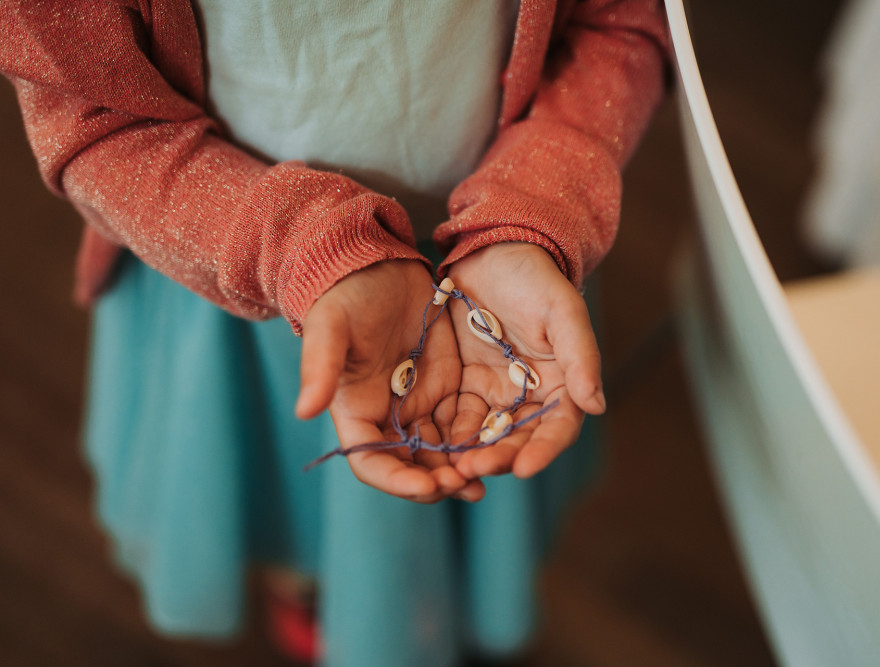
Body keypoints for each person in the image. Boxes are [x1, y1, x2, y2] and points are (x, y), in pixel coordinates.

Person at [0, 1, 669, 665]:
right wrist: (303, 250)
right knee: (283, 481)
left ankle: (424, 596)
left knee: (459, 492)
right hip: (236, 259)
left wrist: (541, 203)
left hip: (501, 255)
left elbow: (626, 20)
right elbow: (93, 121)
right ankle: (314, 587)